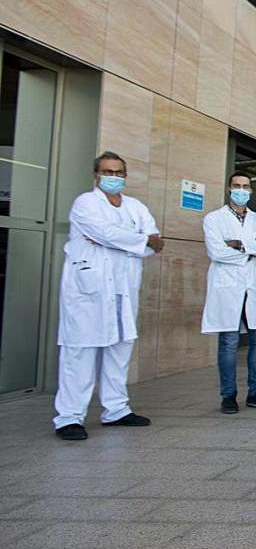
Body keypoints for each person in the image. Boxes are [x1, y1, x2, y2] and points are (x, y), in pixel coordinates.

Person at [53, 152, 163, 440]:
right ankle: (69, 417)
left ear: (125, 176)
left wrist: (127, 240)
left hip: (123, 290)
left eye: (119, 172)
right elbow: (106, 233)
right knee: (80, 353)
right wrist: (135, 240)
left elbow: (156, 242)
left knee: (120, 349)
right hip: (89, 290)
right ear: (96, 175)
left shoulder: (136, 207)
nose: (113, 176)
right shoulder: (85, 203)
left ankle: (116, 409)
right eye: (107, 171)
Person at [202, 172, 256, 415]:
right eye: (237, 186)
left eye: (246, 187)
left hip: (253, 287)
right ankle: (229, 395)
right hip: (228, 287)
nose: (241, 190)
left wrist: (240, 244)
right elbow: (216, 253)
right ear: (229, 189)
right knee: (228, 342)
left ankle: (255, 392)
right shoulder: (214, 219)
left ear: (251, 191)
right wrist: (252, 247)